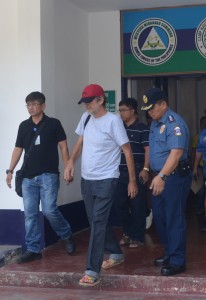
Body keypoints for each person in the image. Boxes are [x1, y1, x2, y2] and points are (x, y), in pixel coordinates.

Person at [64, 84, 137, 286]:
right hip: (87, 180)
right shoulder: (86, 118)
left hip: (107, 179)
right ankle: (115, 252)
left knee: (97, 222)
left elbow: (127, 150)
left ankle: (92, 270)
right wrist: (70, 162)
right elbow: (80, 142)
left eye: (90, 102)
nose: (86, 105)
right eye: (84, 102)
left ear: (101, 100)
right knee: (95, 221)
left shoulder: (113, 121)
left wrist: (132, 181)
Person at [6, 91, 75, 263]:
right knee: (30, 214)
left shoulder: (53, 124)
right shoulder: (23, 126)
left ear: (43, 106)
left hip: (48, 175)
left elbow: (63, 147)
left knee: (50, 210)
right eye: (28, 104)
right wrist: (10, 170)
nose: (31, 107)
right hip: (28, 178)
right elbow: (18, 149)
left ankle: (66, 235)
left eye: (34, 104)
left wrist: (67, 167)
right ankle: (33, 249)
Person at [141, 87, 192, 276]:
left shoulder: (174, 123)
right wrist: (149, 170)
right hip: (157, 177)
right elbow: (153, 151)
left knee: (174, 218)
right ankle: (169, 253)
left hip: (173, 178)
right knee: (161, 218)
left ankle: (178, 261)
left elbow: (176, 153)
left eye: (152, 108)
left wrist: (162, 176)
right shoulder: (155, 123)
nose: (149, 112)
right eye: (147, 109)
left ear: (163, 104)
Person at [113, 98, 149, 247]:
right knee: (120, 204)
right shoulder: (118, 127)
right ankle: (127, 232)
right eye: (119, 110)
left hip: (137, 170)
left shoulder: (142, 128)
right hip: (119, 172)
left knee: (137, 205)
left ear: (133, 110)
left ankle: (138, 236)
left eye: (123, 110)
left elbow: (148, 150)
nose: (121, 113)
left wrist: (146, 169)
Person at [191, 116, 206, 215]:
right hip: (202, 166)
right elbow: (196, 151)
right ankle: (200, 208)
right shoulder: (201, 135)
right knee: (201, 190)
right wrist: (195, 167)